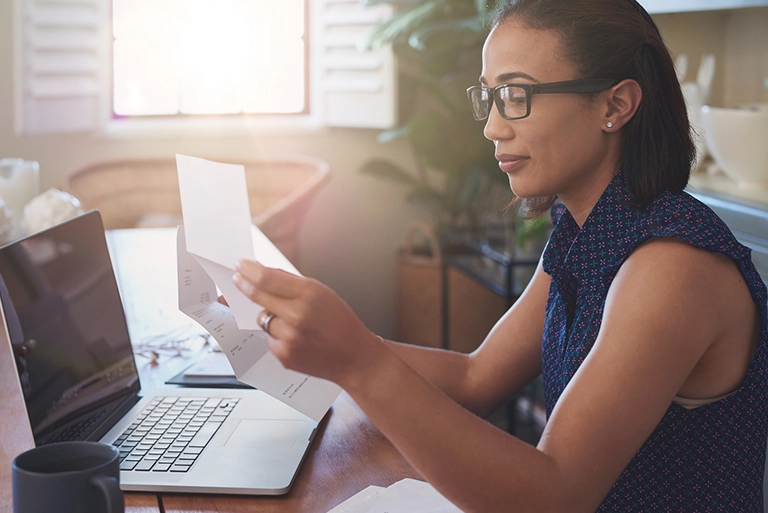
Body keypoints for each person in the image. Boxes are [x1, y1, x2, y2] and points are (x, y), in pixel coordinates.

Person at [231, 0, 768, 511]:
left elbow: (554, 497)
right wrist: (327, 341)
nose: (492, 127)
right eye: (489, 98)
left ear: (615, 104)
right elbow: (476, 378)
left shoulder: (672, 266)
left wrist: (356, 360)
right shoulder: (585, 231)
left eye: (517, 96)